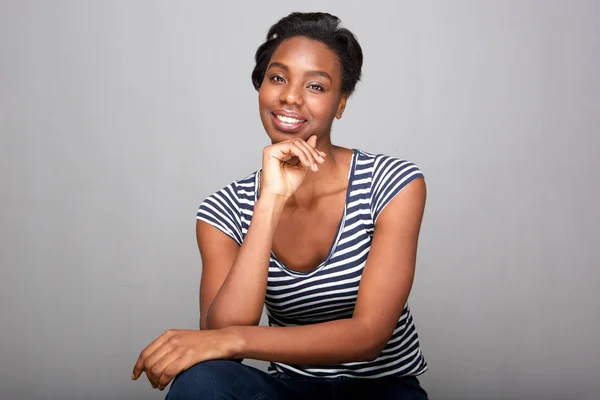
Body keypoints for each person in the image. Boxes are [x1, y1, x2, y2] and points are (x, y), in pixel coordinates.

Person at [132, 11, 429, 399]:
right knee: (201, 382)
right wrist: (269, 201)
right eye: (278, 78)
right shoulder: (223, 209)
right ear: (261, 88)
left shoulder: (391, 184)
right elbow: (220, 338)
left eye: (316, 86)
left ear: (341, 103)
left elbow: (368, 335)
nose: (290, 96)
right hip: (287, 389)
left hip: (382, 389)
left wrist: (234, 340)